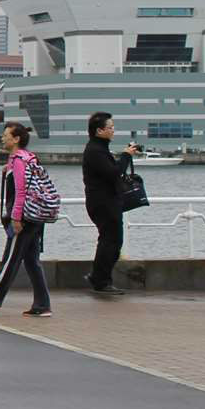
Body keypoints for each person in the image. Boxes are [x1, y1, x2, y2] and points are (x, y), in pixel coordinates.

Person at [0, 122, 52, 317]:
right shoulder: (28, 158)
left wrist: (16, 218)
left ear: (16, 139)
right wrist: (8, 169)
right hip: (35, 215)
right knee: (32, 261)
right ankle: (42, 305)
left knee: (10, 259)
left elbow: (21, 192)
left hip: (23, 218)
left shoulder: (18, 160)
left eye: (5, 135)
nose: (2, 138)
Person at [81, 112, 136, 295]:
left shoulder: (98, 148)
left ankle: (99, 278)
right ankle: (101, 281)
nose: (113, 131)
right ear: (99, 131)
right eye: (110, 127)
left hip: (105, 202)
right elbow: (113, 173)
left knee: (110, 240)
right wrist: (126, 156)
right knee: (111, 241)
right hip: (103, 203)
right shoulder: (95, 151)